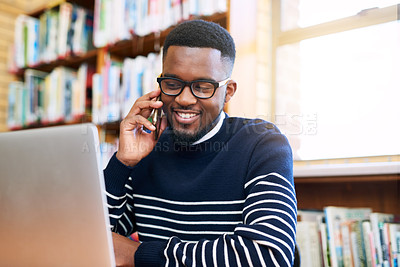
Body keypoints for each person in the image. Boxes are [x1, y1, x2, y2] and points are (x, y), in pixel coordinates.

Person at [104, 19, 297, 266]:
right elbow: (95, 237)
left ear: (228, 92)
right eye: (173, 85)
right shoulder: (149, 146)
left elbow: (267, 256)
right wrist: (122, 163)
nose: (184, 99)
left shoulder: (261, 142)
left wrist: (137, 254)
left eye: (203, 87)